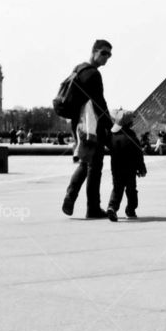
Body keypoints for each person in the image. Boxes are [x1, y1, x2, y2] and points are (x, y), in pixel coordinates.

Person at [62, 40, 113, 219]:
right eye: (104, 53)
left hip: (78, 123)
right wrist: (111, 125)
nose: (107, 58)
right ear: (94, 51)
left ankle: (71, 195)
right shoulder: (93, 74)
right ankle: (92, 207)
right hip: (91, 125)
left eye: (109, 55)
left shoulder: (79, 69)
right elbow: (100, 103)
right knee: (95, 165)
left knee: (85, 161)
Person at [107, 109, 147, 221]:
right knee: (131, 190)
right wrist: (141, 168)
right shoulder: (132, 136)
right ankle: (130, 210)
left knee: (117, 188)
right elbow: (138, 154)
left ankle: (112, 207)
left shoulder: (112, 136)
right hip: (130, 168)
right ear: (129, 123)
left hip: (116, 168)